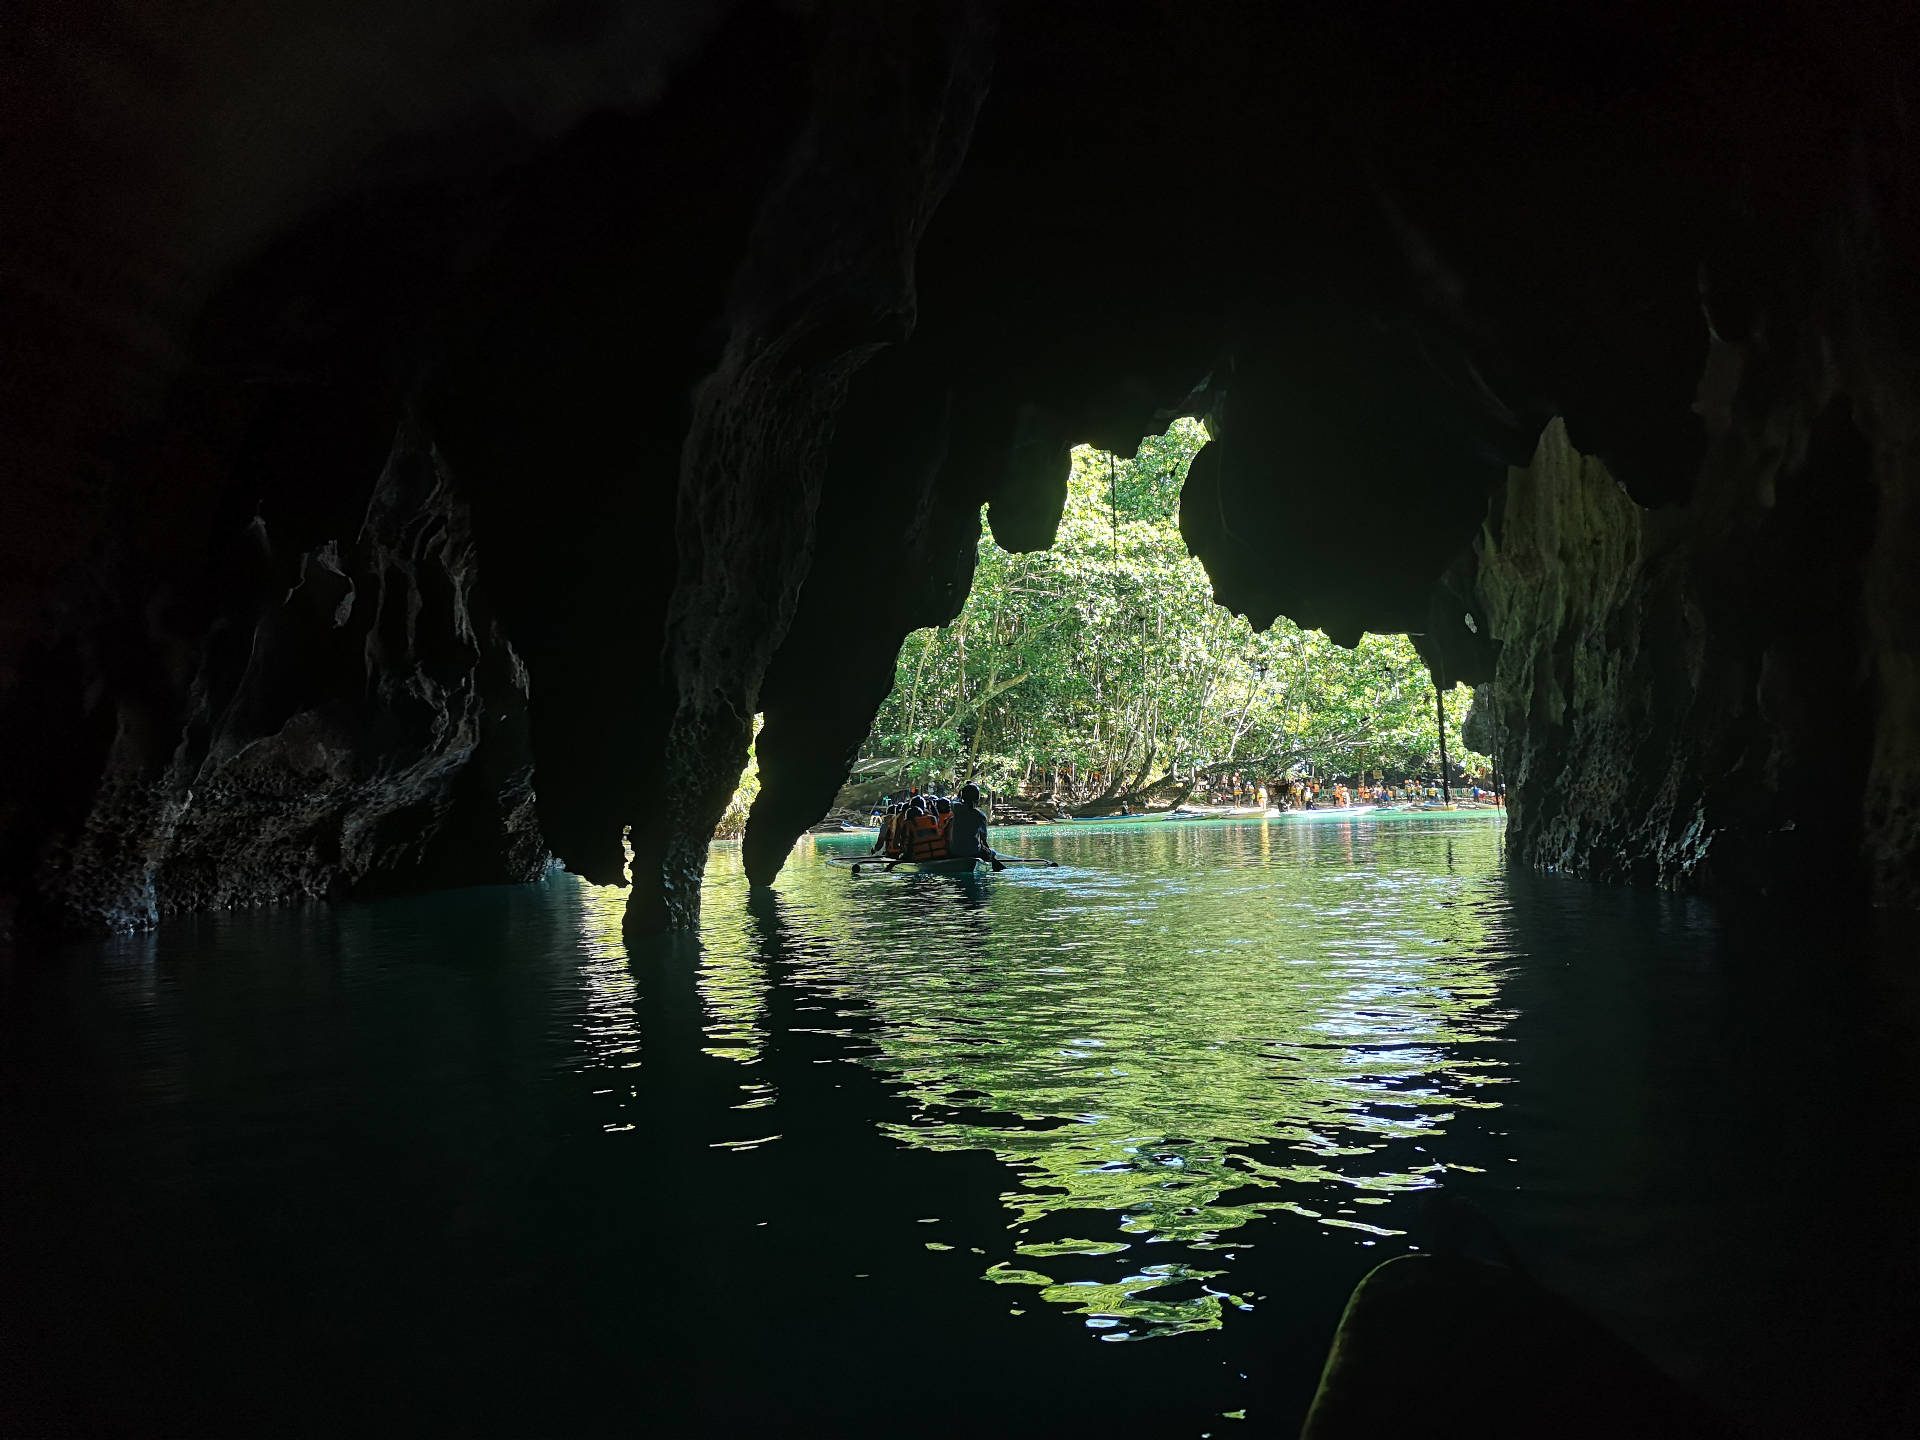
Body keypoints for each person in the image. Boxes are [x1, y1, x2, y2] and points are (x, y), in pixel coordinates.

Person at [948, 783, 1004, 871]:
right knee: (993, 852)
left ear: (963, 798)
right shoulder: (981, 816)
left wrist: (959, 795)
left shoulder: (956, 808)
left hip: (954, 851)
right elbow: (983, 839)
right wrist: (989, 852)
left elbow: (954, 801)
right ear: (977, 799)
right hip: (973, 852)